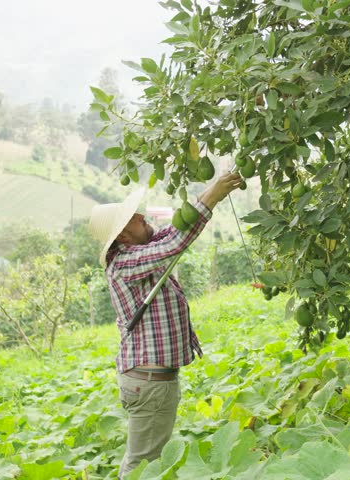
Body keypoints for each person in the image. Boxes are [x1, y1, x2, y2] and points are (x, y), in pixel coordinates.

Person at [88, 172, 243, 478]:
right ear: (122, 235)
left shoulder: (137, 251)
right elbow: (174, 243)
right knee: (142, 464)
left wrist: (204, 199)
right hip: (149, 383)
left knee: (144, 459)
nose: (143, 217)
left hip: (150, 381)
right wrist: (212, 195)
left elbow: (173, 231)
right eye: (135, 218)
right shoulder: (125, 263)